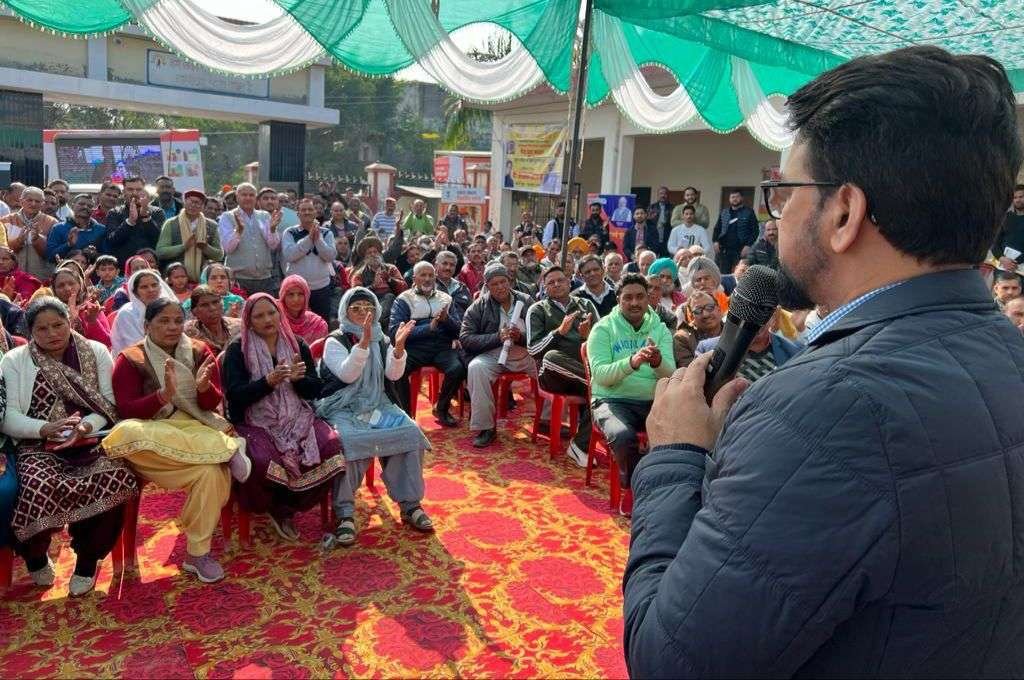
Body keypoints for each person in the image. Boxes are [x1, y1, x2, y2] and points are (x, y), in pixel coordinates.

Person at [625, 45, 1024, 677]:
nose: (777, 216)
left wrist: (676, 456)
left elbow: (670, 661)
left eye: (784, 192)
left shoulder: (821, 408)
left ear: (844, 213)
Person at [103, 299, 249, 583]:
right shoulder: (131, 359)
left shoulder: (198, 351)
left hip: (194, 428)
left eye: (177, 321)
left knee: (210, 475)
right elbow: (127, 410)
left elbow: (211, 405)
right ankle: (226, 450)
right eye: (163, 321)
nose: (172, 327)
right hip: (153, 440)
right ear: (147, 325)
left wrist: (204, 389)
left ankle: (197, 554)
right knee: (126, 431)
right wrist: (161, 397)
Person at [1, 297, 137, 596]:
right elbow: (8, 416)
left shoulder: (96, 351)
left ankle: (87, 561)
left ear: (69, 321)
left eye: (58, 325)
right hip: (37, 444)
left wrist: (84, 426)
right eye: (42, 329)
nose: (52, 333)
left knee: (116, 476)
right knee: (35, 486)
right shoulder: (14, 360)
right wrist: (44, 428)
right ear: (30, 331)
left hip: (90, 438)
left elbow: (108, 404)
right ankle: (36, 557)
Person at [221, 294, 344, 541]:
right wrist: (267, 382)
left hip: (297, 415)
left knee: (331, 445)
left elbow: (315, 389)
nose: (267, 319)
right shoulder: (238, 349)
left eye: (271, 313)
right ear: (248, 321)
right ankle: (275, 507)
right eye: (259, 316)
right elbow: (235, 397)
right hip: (254, 420)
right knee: (262, 460)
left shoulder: (296, 344)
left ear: (279, 313)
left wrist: (299, 381)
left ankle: (293, 504)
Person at [317, 288, 432, 545]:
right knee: (347, 441)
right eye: (356, 308)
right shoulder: (335, 340)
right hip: (342, 405)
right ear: (345, 311)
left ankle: (410, 504)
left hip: (378, 403)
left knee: (410, 432)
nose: (363, 313)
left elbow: (393, 375)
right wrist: (362, 344)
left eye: (368, 308)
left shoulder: (382, 339)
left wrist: (398, 348)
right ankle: (344, 512)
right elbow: (347, 375)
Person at [586, 273, 675, 513]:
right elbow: (601, 376)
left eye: (640, 297)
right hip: (611, 400)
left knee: (680, 430)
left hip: (652, 400)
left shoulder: (660, 330)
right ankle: (634, 489)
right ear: (618, 300)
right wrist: (632, 362)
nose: (634, 303)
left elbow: (670, 374)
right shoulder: (603, 329)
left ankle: (665, 488)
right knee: (622, 436)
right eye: (628, 298)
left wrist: (657, 361)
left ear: (648, 298)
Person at [527, 266, 598, 466]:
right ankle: (599, 384)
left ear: (569, 282)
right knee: (551, 357)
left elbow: (604, 341)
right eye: (551, 282)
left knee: (598, 395)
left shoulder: (586, 304)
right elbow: (533, 350)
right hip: (553, 376)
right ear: (544, 287)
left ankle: (580, 446)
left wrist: (588, 336)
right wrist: (559, 332)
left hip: (582, 374)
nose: (557, 284)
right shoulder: (538, 309)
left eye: (560, 280)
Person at [460, 262, 535, 448]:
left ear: (509, 281)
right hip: (494, 355)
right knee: (476, 368)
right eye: (494, 284)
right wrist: (497, 337)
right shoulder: (479, 306)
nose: (500, 287)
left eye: (503, 282)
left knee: (550, 366)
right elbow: (466, 338)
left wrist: (520, 337)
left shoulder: (526, 301)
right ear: (487, 286)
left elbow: (540, 333)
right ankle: (486, 428)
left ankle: (546, 420)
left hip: (526, 354)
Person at [389, 261, 465, 427]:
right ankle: (406, 415)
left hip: (441, 348)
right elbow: (395, 333)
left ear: (435, 278)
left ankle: (441, 408)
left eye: (431, 275)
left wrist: (446, 320)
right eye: (423, 275)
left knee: (458, 368)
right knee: (398, 370)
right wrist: (428, 328)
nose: (427, 279)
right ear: (414, 278)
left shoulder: (446, 298)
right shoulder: (404, 299)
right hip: (414, 348)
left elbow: (459, 330)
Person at [218, 182, 282, 297]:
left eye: (251, 195)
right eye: (244, 195)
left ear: (256, 198)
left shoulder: (264, 216)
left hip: (264, 278)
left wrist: (272, 230)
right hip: (238, 279)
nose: (248, 198)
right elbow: (228, 248)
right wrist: (238, 231)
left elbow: (273, 245)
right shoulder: (227, 217)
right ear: (237, 197)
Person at [281, 198, 335, 322]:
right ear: (298, 214)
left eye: (310, 209)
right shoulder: (290, 232)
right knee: (295, 322)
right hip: (296, 290)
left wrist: (318, 239)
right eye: (303, 210)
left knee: (321, 322)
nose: (307, 212)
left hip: (321, 288)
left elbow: (330, 256)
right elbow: (290, 255)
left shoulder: (326, 233)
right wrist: (309, 239)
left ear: (315, 212)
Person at [156, 188, 223, 282]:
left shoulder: (211, 225)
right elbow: (160, 252)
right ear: (184, 203)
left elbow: (219, 255)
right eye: (191, 202)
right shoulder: (171, 224)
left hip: (203, 279)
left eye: (197, 203)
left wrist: (205, 247)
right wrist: (184, 247)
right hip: (176, 279)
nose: (193, 205)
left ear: (203, 206)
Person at [110, 269, 177, 356]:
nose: (151, 290)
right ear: (135, 293)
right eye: (144, 287)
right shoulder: (127, 313)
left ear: (160, 288)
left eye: (154, 285)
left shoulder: (169, 309)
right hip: (135, 359)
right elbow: (134, 347)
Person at [2, 186, 57, 282]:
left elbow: (52, 253)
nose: (33, 204)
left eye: (37, 201)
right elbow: (2, 250)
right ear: (21, 201)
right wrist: (18, 241)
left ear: (42, 204)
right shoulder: (6, 221)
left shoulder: (52, 223)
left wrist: (38, 239)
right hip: (11, 278)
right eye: (29, 200)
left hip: (42, 278)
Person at [48, 265, 111, 346]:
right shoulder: (50, 312)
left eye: (71, 283)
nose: (67, 288)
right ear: (54, 290)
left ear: (80, 285)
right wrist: (71, 319)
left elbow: (107, 343)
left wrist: (92, 321)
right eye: (61, 285)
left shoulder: (91, 308)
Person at [47, 194, 107, 261]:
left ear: (93, 210)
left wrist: (95, 254)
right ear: (72, 206)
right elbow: (50, 256)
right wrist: (69, 245)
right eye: (81, 204)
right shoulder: (58, 228)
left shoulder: (101, 230)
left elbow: (108, 256)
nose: (85, 207)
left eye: (89, 206)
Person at [184, 285, 242, 353]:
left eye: (215, 302)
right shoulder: (188, 332)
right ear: (194, 312)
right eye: (204, 305)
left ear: (222, 304)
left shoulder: (239, 327)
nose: (212, 308)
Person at [712, 189, 758, 275]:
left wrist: (748, 245)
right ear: (729, 199)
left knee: (741, 275)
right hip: (724, 250)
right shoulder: (724, 212)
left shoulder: (749, 212)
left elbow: (755, 231)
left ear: (742, 198)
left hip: (741, 250)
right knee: (722, 276)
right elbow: (717, 228)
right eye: (732, 197)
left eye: (737, 197)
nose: (735, 199)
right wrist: (715, 241)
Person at [672, 290, 722, 367]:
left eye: (710, 307)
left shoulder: (735, 330)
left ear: (719, 309)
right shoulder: (682, 339)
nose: (705, 314)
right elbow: (689, 370)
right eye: (698, 311)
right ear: (692, 317)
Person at [278, 274, 328, 345]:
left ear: (307, 296)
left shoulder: (318, 325)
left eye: (300, 294)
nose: (296, 299)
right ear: (283, 297)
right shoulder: (277, 323)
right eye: (291, 294)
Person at [433, 250, 472, 322]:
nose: (448, 268)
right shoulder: (428, 286)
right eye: (444, 263)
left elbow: (471, 313)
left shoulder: (462, 288)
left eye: (452, 265)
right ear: (436, 265)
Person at [994, 184, 1024, 271]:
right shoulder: (1005, 217)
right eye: (1015, 197)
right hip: (1002, 267)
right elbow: (995, 243)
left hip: (1022, 269)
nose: (1018, 200)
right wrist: (1002, 258)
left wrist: (1015, 263)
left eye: (1021, 197)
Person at [648, 186, 674, 256]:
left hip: (667, 238)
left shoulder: (672, 207)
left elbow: (673, 223)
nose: (663, 195)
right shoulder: (652, 207)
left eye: (665, 194)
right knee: (652, 258)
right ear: (658, 195)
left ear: (668, 195)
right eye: (661, 193)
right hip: (653, 238)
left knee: (664, 258)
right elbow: (647, 221)